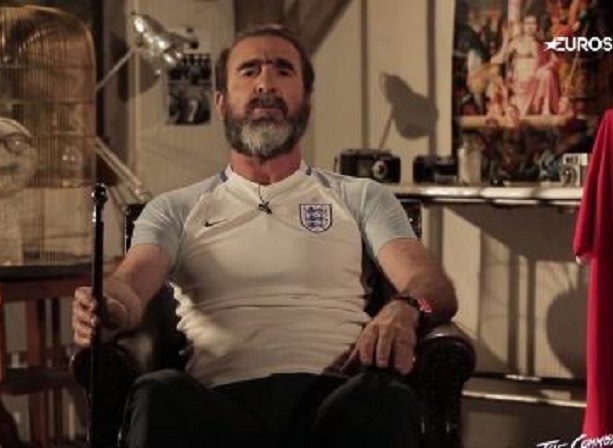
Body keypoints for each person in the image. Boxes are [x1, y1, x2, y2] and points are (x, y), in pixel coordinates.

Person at [72, 24, 457, 448]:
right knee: (156, 394)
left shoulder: (361, 196)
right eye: (249, 70)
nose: (265, 84)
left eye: (283, 70)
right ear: (221, 101)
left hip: (335, 400)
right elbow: (130, 285)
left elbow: (432, 288)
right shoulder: (174, 208)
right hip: (218, 405)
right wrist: (108, 305)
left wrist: (408, 308)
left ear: (307, 100)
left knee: (389, 399)